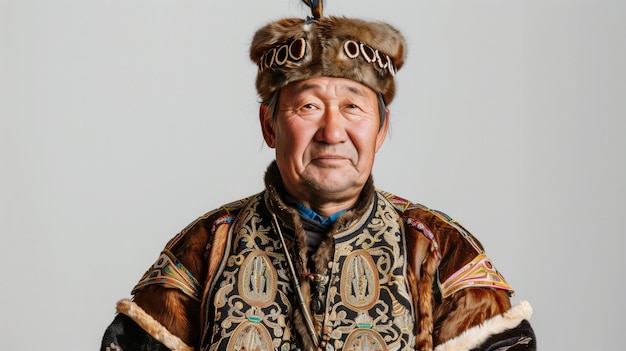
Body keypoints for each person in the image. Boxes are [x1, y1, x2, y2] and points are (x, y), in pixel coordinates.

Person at [100, 2, 536, 350]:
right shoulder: (206, 247)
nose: (332, 132)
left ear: (381, 129)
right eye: (308, 106)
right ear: (269, 126)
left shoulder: (439, 250)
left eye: (353, 107)